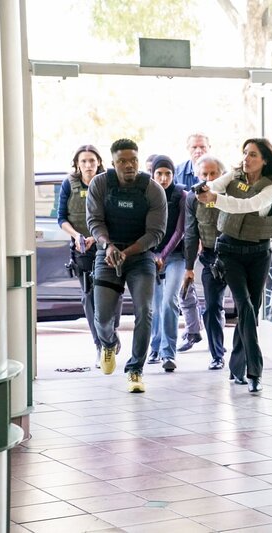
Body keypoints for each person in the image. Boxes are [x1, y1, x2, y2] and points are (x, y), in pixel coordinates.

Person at [194, 138, 272, 393]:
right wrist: (206, 188)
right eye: (245, 153)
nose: (246, 158)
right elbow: (214, 184)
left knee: (250, 310)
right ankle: (254, 370)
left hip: (259, 254)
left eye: (253, 154)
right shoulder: (234, 176)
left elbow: (248, 206)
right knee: (244, 305)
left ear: (265, 160)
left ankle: (236, 366)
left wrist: (214, 199)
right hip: (229, 251)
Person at [87, 138, 167, 393]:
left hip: (140, 254)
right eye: (123, 161)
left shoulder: (153, 189)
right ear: (113, 163)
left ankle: (135, 370)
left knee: (145, 311)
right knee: (102, 317)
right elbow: (94, 220)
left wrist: (128, 251)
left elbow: (155, 232)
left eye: (133, 160)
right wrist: (108, 246)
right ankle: (109, 344)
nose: (129, 165)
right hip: (107, 252)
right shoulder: (100, 184)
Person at [58, 144, 119, 368]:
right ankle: (100, 345)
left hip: (104, 244)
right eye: (83, 161)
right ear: (77, 164)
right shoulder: (69, 183)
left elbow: (114, 215)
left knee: (112, 293)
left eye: (92, 161)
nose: (88, 165)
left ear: (99, 162)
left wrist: (98, 237)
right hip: (81, 247)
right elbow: (61, 217)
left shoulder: (107, 182)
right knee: (89, 297)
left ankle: (111, 335)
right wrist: (76, 236)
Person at [183, 154, 228, 370]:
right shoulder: (192, 198)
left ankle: (244, 355)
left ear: (222, 175)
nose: (209, 178)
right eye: (204, 174)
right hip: (210, 257)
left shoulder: (231, 193)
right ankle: (217, 355)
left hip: (236, 255)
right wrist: (189, 267)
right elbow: (191, 234)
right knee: (211, 307)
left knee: (245, 307)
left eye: (213, 173)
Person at [146, 155, 187, 372]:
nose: (163, 178)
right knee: (153, 304)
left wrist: (163, 254)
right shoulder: (146, 194)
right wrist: (152, 254)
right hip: (150, 255)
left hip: (175, 256)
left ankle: (168, 353)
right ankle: (155, 347)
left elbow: (180, 230)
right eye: (159, 174)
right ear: (152, 175)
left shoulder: (181, 195)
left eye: (167, 174)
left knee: (169, 300)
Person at [174, 134, 210, 351]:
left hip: (209, 241)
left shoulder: (215, 169)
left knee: (211, 289)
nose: (198, 150)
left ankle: (215, 337)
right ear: (188, 149)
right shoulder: (177, 172)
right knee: (185, 288)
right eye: (194, 147)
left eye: (202, 146)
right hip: (184, 240)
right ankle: (192, 330)